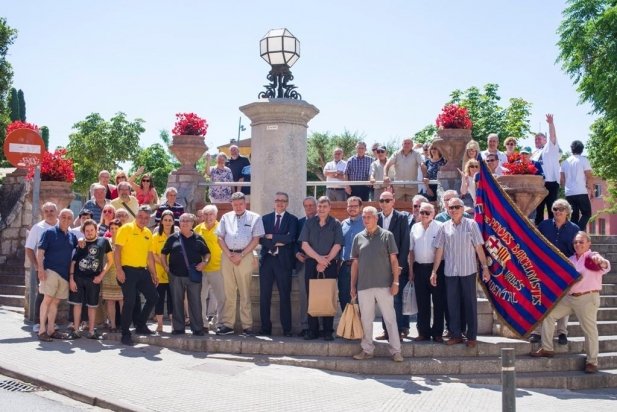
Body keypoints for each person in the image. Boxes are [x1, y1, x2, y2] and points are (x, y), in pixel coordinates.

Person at [531, 231, 611, 373]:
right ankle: (547, 348)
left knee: (589, 330)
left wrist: (602, 262)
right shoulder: (571, 259)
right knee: (549, 315)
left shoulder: (592, 256)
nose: (578, 244)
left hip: (587, 298)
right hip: (570, 298)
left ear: (588, 244)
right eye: (576, 242)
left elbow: (604, 264)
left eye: (581, 242)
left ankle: (592, 362)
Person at [432, 198, 491, 348]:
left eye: (457, 207)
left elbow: (479, 248)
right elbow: (439, 250)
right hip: (450, 272)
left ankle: (471, 336)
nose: (454, 210)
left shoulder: (471, 224)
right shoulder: (444, 227)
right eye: (451, 207)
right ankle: (456, 334)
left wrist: (485, 267)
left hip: (468, 271)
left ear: (463, 209)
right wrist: (434, 271)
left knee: (470, 304)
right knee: (452, 305)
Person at [351, 206, 403, 362]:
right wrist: (352, 286)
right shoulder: (358, 237)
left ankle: (396, 351)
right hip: (364, 286)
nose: (366, 220)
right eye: (364, 217)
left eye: (369, 217)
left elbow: (394, 261)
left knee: (390, 319)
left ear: (376, 218)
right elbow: (355, 264)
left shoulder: (387, 236)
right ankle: (367, 350)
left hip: (384, 285)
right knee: (366, 320)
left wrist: (395, 282)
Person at [529, 199, 580, 344]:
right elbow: (535, 243)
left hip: (564, 271)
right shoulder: (544, 226)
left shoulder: (574, 229)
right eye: (555, 209)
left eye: (561, 209)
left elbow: (577, 250)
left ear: (567, 212)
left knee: (563, 301)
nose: (558, 211)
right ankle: (537, 332)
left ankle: (562, 332)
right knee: (541, 300)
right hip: (544, 269)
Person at [216, 192, 264, 335]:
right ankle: (228, 324)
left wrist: (241, 255)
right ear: (232, 204)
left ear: (245, 203)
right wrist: (229, 254)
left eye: (240, 204)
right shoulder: (225, 217)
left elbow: (256, 239)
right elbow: (220, 238)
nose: (238, 207)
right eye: (235, 204)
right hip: (227, 256)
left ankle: (247, 325)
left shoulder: (255, 217)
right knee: (228, 292)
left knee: (245, 292)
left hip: (245, 255)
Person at [114, 205, 160, 346]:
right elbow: (117, 251)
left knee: (154, 297)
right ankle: (125, 333)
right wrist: (119, 270)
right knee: (130, 302)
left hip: (142, 271)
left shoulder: (148, 233)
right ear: (136, 216)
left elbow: (149, 256)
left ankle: (140, 325)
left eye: (146, 218)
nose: (143, 220)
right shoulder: (126, 229)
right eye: (140, 216)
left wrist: (154, 273)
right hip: (127, 270)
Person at [299, 196, 343, 341]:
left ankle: (327, 331)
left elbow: (337, 244)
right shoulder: (309, 223)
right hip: (312, 263)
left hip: (329, 264)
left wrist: (325, 261)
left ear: (330, 208)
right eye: (320, 206)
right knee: (312, 296)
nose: (322, 209)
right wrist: (319, 259)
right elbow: (304, 245)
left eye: (325, 206)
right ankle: (313, 330)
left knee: (328, 296)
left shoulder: (336, 224)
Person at [161, 213, 210, 336]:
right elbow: (163, 253)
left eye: (187, 221)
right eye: (182, 221)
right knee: (177, 301)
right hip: (175, 275)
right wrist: (165, 267)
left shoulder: (199, 238)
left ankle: (197, 328)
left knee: (195, 301)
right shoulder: (172, 238)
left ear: (192, 223)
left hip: (193, 275)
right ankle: (178, 328)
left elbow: (207, 254)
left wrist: (204, 263)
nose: (185, 223)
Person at [258, 192, 298, 336]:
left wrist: (272, 236)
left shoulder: (292, 220)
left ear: (287, 203)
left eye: (283, 201)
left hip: (284, 262)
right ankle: (265, 328)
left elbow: (290, 238)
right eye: (277, 200)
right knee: (264, 296)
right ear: (274, 202)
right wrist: (275, 245)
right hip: (267, 261)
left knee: (285, 295)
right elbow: (261, 239)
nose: (280, 203)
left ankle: (286, 329)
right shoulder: (265, 219)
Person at [36, 209, 78, 341]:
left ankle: (51, 330)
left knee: (55, 303)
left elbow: (77, 252)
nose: (66, 219)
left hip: (64, 275)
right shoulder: (49, 232)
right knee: (47, 300)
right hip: (51, 271)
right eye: (63, 216)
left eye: (69, 217)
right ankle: (42, 330)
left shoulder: (72, 237)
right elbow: (40, 252)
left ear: (72, 220)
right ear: (59, 217)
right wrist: (40, 269)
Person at [375, 191, 411, 341]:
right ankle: (387, 330)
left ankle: (400, 330)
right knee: (384, 299)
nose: (384, 203)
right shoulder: (376, 217)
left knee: (397, 299)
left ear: (393, 202)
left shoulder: (402, 217)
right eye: (382, 201)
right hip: (381, 266)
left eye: (387, 200)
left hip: (397, 265)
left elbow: (405, 243)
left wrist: (401, 265)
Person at [68, 219, 112, 339]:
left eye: (92, 230)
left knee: (92, 306)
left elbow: (110, 261)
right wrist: (71, 279)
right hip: (78, 278)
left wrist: (101, 276)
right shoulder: (80, 243)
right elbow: (73, 262)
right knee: (77, 304)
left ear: (96, 230)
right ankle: (76, 331)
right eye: (87, 231)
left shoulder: (104, 242)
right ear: (83, 232)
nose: (89, 232)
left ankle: (91, 331)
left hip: (94, 279)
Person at [409, 202, 445, 342]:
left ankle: (437, 333)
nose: (423, 215)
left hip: (436, 268)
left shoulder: (440, 227)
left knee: (438, 301)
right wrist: (411, 270)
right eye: (421, 212)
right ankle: (423, 332)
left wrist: (434, 271)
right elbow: (411, 251)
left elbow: (440, 251)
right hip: (419, 268)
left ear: (433, 214)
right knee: (422, 302)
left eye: (427, 212)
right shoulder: (414, 227)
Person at [25, 202, 58, 333]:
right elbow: (29, 248)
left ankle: (51, 323)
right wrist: (37, 266)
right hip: (44, 268)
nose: (49, 213)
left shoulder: (62, 225)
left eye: (52, 210)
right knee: (43, 295)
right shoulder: (37, 227)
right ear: (42, 213)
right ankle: (39, 323)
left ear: (57, 212)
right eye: (46, 211)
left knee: (55, 297)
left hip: (60, 268)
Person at [194, 204, 225, 332]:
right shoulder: (197, 229)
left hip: (218, 267)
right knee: (200, 297)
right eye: (206, 214)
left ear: (216, 215)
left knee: (221, 298)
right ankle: (204, 324)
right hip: (201, 269)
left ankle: (219, 324)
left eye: (211, 214)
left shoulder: (222, 227)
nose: (208, 217)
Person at [149, 210, 176, 333]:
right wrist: (165, 265)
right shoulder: (155, 236)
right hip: (159, 273)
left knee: (173, 299)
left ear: (173, 222)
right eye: (165, 220)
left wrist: (170, 267)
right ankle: (159, 324)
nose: (168, 222)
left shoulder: (177, 236)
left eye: (170, 220)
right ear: (161, 221)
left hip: (173, 273)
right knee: (159, 299)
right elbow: (153, 254)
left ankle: (173, 324)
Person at [533, 114, 561, 225]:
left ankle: (552, 234)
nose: (537, 141)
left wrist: (550, 124)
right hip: (538, 184)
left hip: (551, 182)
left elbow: (553, 136)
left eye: (539, 138)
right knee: (538, 211)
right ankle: (538, 236)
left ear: (545, 140)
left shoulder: (550, 148)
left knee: (551, 209)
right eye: (535, 139)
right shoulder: (533, 153)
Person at [295, 196, 317, 336]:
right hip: (303, 264)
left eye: (311, 205)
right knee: (304, 296)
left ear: (316, 206)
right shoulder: (300, 222)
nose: (309, 208)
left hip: (319, 265)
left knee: (319, 295)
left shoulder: (323, 221)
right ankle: (305, 326)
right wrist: (297, 254)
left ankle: (319, 326)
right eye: (306, 206)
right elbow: (294, 242)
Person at [339, 196, 364, 312]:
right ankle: (348, 327)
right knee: (344, 297)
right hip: (345, 267)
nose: (352, 208)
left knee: (360, 300)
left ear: (360, 208)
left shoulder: (366, 223)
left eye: (355, 206)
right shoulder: (343, 224)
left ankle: (360, 329)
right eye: (350, 206)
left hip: (361, 267)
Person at [561, 140, 593, 231]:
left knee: (574, 215)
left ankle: (573, 233)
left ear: (571, 149)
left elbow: (562, 179)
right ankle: (578, 231)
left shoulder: (564, 162)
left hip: (569, 193)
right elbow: (589, 176)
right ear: (582, 150)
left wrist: (566, 188)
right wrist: (591, 190)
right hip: (581, 191)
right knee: (587, 213)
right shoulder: (584, 160)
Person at [100, 218, 123, 332]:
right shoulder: (106, 241)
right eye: (112, 228)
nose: (114, 230)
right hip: (108, 274)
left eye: (116, 228)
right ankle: (113, 325)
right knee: (110, 301)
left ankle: (124, 324)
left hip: (121, 274)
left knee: (122, 300)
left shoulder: (124, 242)